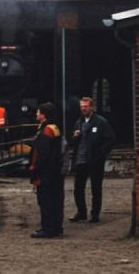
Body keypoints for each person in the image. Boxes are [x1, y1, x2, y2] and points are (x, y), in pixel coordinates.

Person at [69, 96, 115, 223]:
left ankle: (95, 214)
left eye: (85, 107)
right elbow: (73, 141)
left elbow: (110, 139)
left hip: (94, 161)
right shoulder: (79, 122)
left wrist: (101, 155)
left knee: (96, 188)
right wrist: (75, 136)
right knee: (78, 188)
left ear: (92, 107)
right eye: (81, 107)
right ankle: (81, 212)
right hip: (81, 160)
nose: (83, 109)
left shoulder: (100, 122)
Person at [28, 102, 64, 238]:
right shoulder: (55, 128)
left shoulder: (46, 130)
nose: (36, 114)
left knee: (46, 201)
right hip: (55, 171)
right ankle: (56, 227)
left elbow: (42, 153)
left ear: (43, 114)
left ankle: (47, 228)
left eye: (38, 112)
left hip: (46, 173)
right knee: (56, 200)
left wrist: (34, 169)